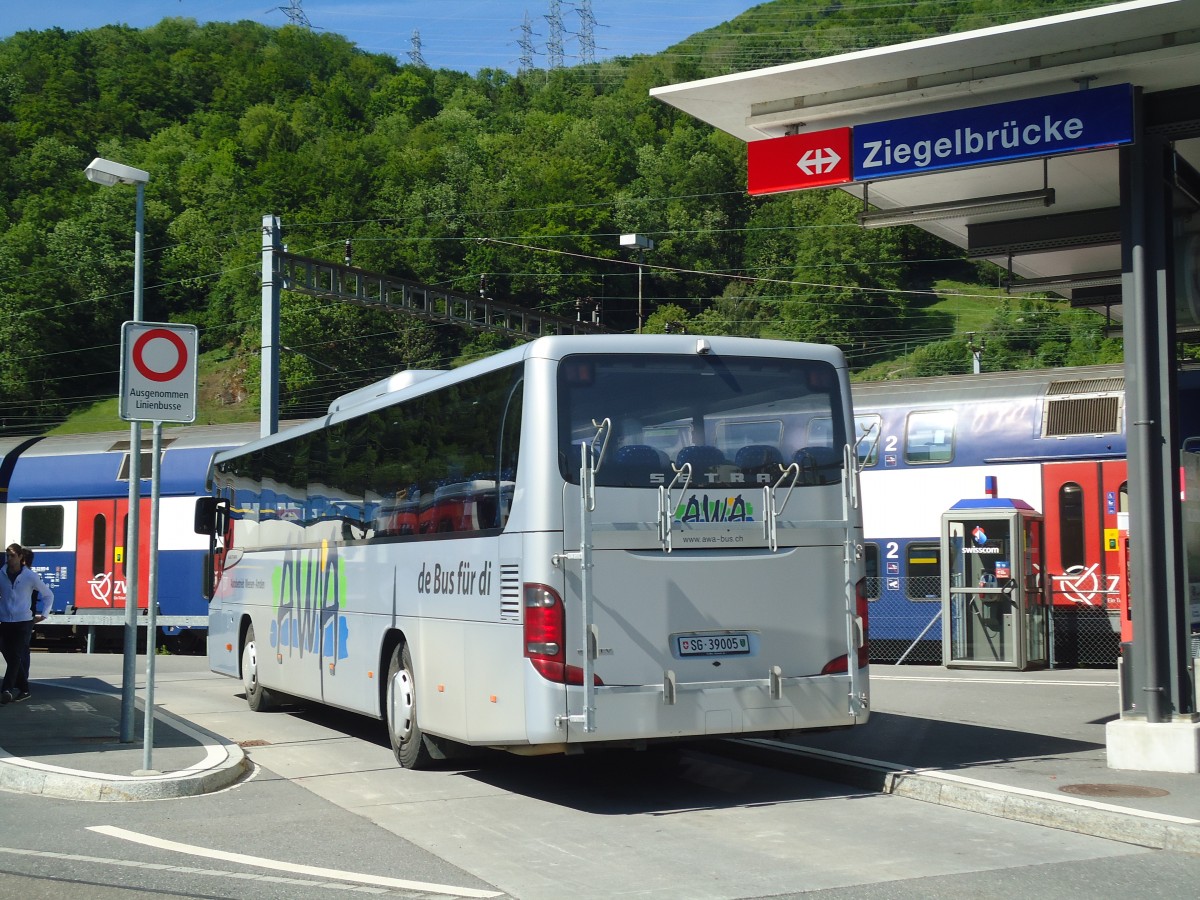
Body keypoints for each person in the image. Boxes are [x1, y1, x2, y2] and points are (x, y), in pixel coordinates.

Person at [1, 543, 53, 704]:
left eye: (12, 556)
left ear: (20, 557)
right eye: (7, 556)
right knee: (9, 654)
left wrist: (44, 615)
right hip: (5, 621)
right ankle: (24, 689)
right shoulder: (1, 574)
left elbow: (48, 595)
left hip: (23, 621)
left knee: (16, 655)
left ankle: (6, 690)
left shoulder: (30, 576)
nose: (9, 559)